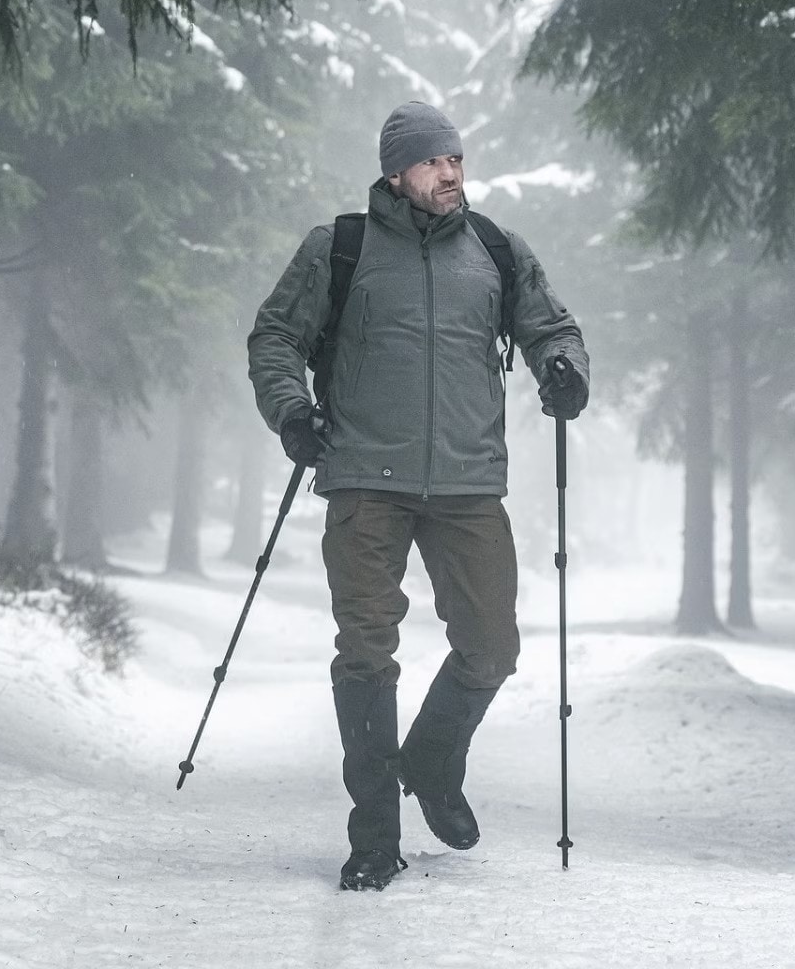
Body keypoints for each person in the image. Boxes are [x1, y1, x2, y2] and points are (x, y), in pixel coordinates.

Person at [247, 100, 590, 892]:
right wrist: (292, 412)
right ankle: (374, 839)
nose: (451, 173)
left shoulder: (495, 250)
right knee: (367, 649)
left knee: (492, 646)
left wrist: (565, 370)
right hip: (364, 478)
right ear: (397, 171)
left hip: (468, 483)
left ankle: (432, 758)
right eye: (435, 161)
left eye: (456, 159)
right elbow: (276, 336)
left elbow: (551, 328)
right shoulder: (342, 247)